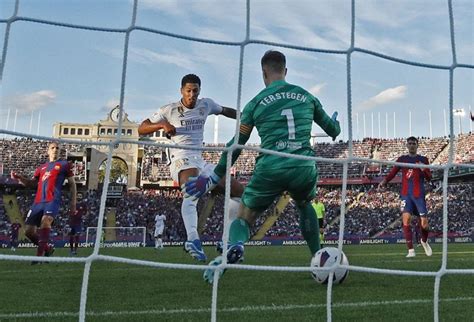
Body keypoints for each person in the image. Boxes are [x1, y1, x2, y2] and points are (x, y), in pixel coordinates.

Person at [184, 50, 340, 283]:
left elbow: (236, 145)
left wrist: (214, 177)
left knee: (244, 218)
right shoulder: (306, 96)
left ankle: (235, 247)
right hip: (303, 167)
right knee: (304, 203)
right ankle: (318, 256)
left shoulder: (255, 103)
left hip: (271, 168)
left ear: (264, 74)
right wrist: (335, 122)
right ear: (285, 71)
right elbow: (333, 131)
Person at [138, 74, 244, 261]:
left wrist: (247, 117)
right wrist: (162, 124)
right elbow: (142, 128)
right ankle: (192, 240)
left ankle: (227, 239)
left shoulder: (206, 105)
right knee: (192, 187)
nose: (192, 94)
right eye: (188, 90)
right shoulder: (169, 110)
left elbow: (226, 110)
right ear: (181, 91)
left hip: (200, 160)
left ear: (199, 91)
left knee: (237, 190)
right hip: (180, 159)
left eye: (195, 90)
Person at [11, 141, 77, 264]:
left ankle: (39, 257)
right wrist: (20, 178)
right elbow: (31, 184)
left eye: (58, 148)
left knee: (46, 221)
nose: (55, 149)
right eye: (53, 147)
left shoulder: (64, 165)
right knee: (28, 232)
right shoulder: (41, 168)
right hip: (38, 202)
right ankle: (48, 249)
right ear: (48, 151)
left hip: (52, 200)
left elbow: (72, 185)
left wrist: (73, 204)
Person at [378, 136, 432, 258]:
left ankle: (424, 241)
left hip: (419, 195)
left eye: (414, 143)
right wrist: (384, 181)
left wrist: (423, 169)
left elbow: (429, 177)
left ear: (417, 145)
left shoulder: (423, 159)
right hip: (406, 195)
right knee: (406, 221)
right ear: (407, 145)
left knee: (424, 224)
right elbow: (393, 172)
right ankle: (411, 250)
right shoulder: (402, 159)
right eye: (410, 143)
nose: (412, 145)